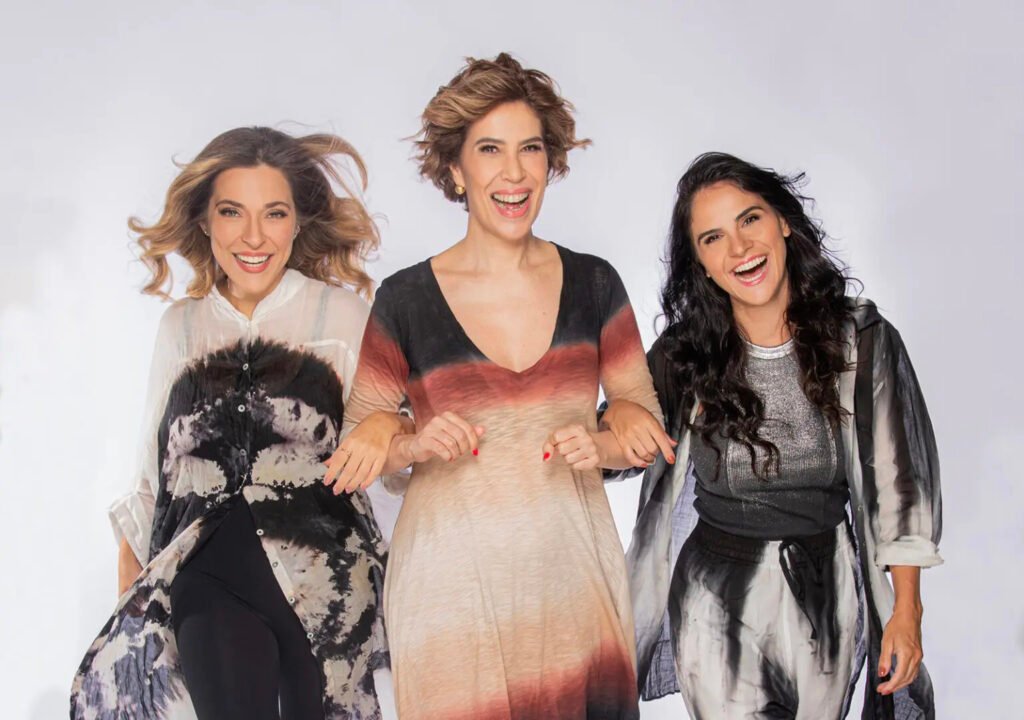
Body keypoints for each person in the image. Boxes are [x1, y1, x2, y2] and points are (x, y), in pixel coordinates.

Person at [331, 54, 666, 720]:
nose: (514, 173)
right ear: (456, 170)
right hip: (452, 600)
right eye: (490, 150)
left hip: (575, 587)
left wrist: (609, 438)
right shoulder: (405, 300)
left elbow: (639, 427)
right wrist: (407, 440)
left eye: (530, 149)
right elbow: (361, 450)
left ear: (550, 162)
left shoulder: (596, 285)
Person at [604, 152, 942, 719]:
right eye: (713, 238)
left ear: (783, 221)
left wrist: (907, 611)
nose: (739, 248)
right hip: (715, 594)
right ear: (700, 262)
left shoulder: (860, 339)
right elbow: (621, 447)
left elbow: (901, 481)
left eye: (750, 219)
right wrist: (612, 417)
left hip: (827, 589)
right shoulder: (687, 355)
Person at [71, 127, 394, 720]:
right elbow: (152, 474)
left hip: (327, 579)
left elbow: (395, 450)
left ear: (298, 222)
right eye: (232, 212)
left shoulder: (342, 316)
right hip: (207, 576)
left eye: (274, 213)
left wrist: (387, 426)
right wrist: (131, 602)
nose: (253, 236)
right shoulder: (181, 327)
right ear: (205, 221)